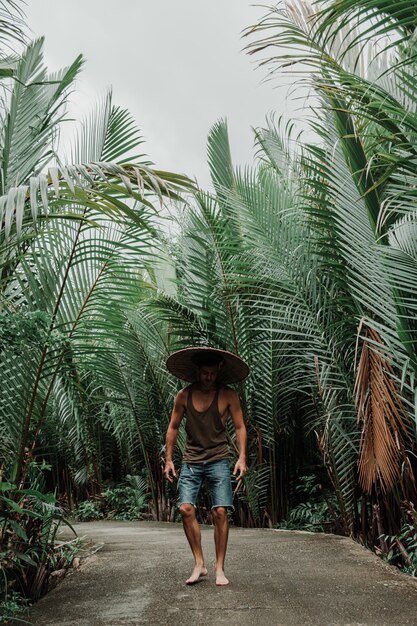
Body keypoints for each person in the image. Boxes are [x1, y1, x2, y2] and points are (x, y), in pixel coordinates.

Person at [164, 347, 249, 586]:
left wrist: (242, 458)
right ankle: (199, 564)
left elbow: (241, 427)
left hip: (219, 459)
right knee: (185, 509)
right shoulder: (183, 395)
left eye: (213, 373)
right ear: (197, 371)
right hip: (191, 460)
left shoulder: (228, 395)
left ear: (218, 371)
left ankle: (219, 568)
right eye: (204, 373)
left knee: (221, 511)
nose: (209, 377)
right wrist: (169, 459)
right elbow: (173, 427)